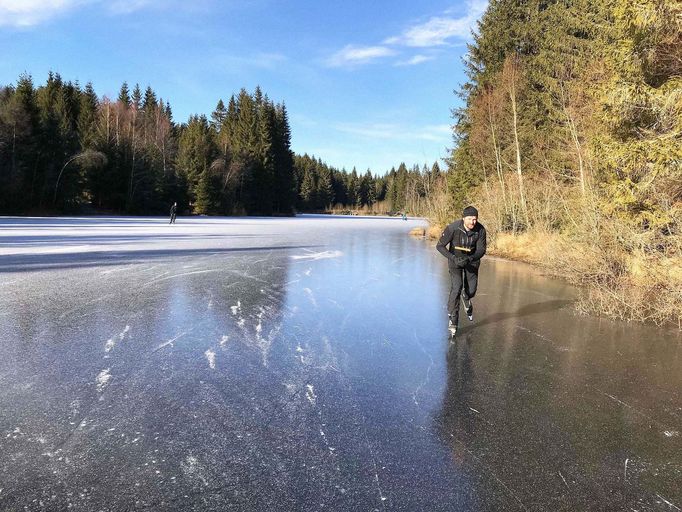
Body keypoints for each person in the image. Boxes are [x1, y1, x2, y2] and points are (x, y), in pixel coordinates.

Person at [436, 206, 486, 336]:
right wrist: (453, 257)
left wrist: (470, 258)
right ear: (463, 218)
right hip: (455, 261)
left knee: (471, 290)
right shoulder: (452, 228)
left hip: (472, 261)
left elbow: (481, 250)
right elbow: (440, 246)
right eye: (469, 219)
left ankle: (467, 297)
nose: (472, 222)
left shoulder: (480, 230)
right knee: (456, 287)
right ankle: (453, 318)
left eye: (474, 219)